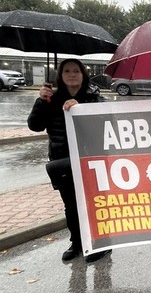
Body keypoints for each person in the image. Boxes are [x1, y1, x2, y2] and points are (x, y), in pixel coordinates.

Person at [27, 58, 110, 263]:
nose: (72, 74)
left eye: (76, 71)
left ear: (83, 74)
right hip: (62, 161)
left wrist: (80, 108)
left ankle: (103, 243)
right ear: (60, 76)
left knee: (95, 203)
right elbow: (35, 126)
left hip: (90, 160)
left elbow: (108, 121)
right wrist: (40, 102)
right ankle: (77, 243)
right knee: (71, 205)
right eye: (67, 71)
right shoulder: (50, 99)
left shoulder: (94, 97)